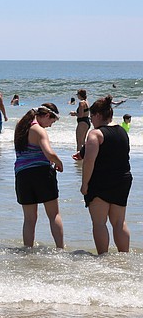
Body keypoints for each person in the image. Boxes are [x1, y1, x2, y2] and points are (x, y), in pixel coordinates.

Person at [74, 95, 132, 254]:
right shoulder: (121, 131)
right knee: (119, 222)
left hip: (101, 181)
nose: (91, 119)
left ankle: (103, 257)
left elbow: (89, 162)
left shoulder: (95, 134)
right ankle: (124, 256)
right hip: (123, 179)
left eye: (92, 116)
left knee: (99, 223)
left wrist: (84, 184)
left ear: (98, 115)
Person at [13, 104, 65, 249]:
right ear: (47, 115)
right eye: (52, 122)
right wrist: (59, 163)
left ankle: (27, 250)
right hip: (41, 174)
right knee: (54, 215)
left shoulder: (20, 125)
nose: (50, 126)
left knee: (29, 219)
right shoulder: (39, 130)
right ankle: (60, 249)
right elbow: (49, 153)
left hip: (22, 175)